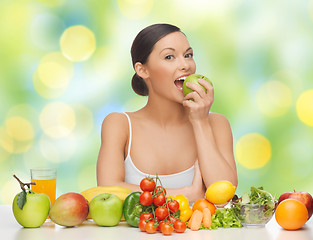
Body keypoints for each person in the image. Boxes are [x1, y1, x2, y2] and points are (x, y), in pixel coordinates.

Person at [96, 23, 237, 202]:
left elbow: (225, 193)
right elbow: (108, 189)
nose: (185, 65)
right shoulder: (120, 124)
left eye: (188, 55)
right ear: (142, 70)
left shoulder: (216, 124)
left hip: (200, 231)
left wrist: (200, 122)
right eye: (169, 57)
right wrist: (184, 194)